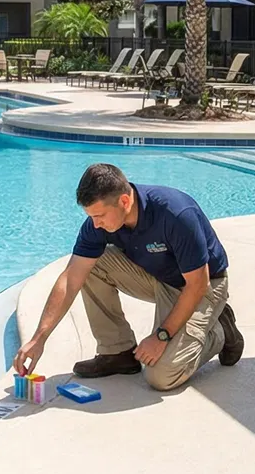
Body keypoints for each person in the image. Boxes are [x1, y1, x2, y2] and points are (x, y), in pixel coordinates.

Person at [13, 163, 243, 391]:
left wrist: (161, 336)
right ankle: (117, 352)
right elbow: (71, 278)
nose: (95, 224)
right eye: (91, 216)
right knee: (90, 265)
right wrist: (38, 339)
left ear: (124, 201)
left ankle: (220, 331)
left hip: (203, 285)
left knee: (161, 376)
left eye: (100, 215)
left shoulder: (175, 213)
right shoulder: (98, 225)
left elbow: (197, 283)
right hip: (158, 277)